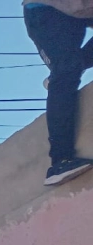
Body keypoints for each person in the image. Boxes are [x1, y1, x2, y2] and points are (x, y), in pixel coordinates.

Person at [23, 0, 93, 186]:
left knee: (68, 68)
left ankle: (60, 76)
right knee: (67, 70)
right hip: (46, 10)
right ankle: (60, 162)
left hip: (79, 12)